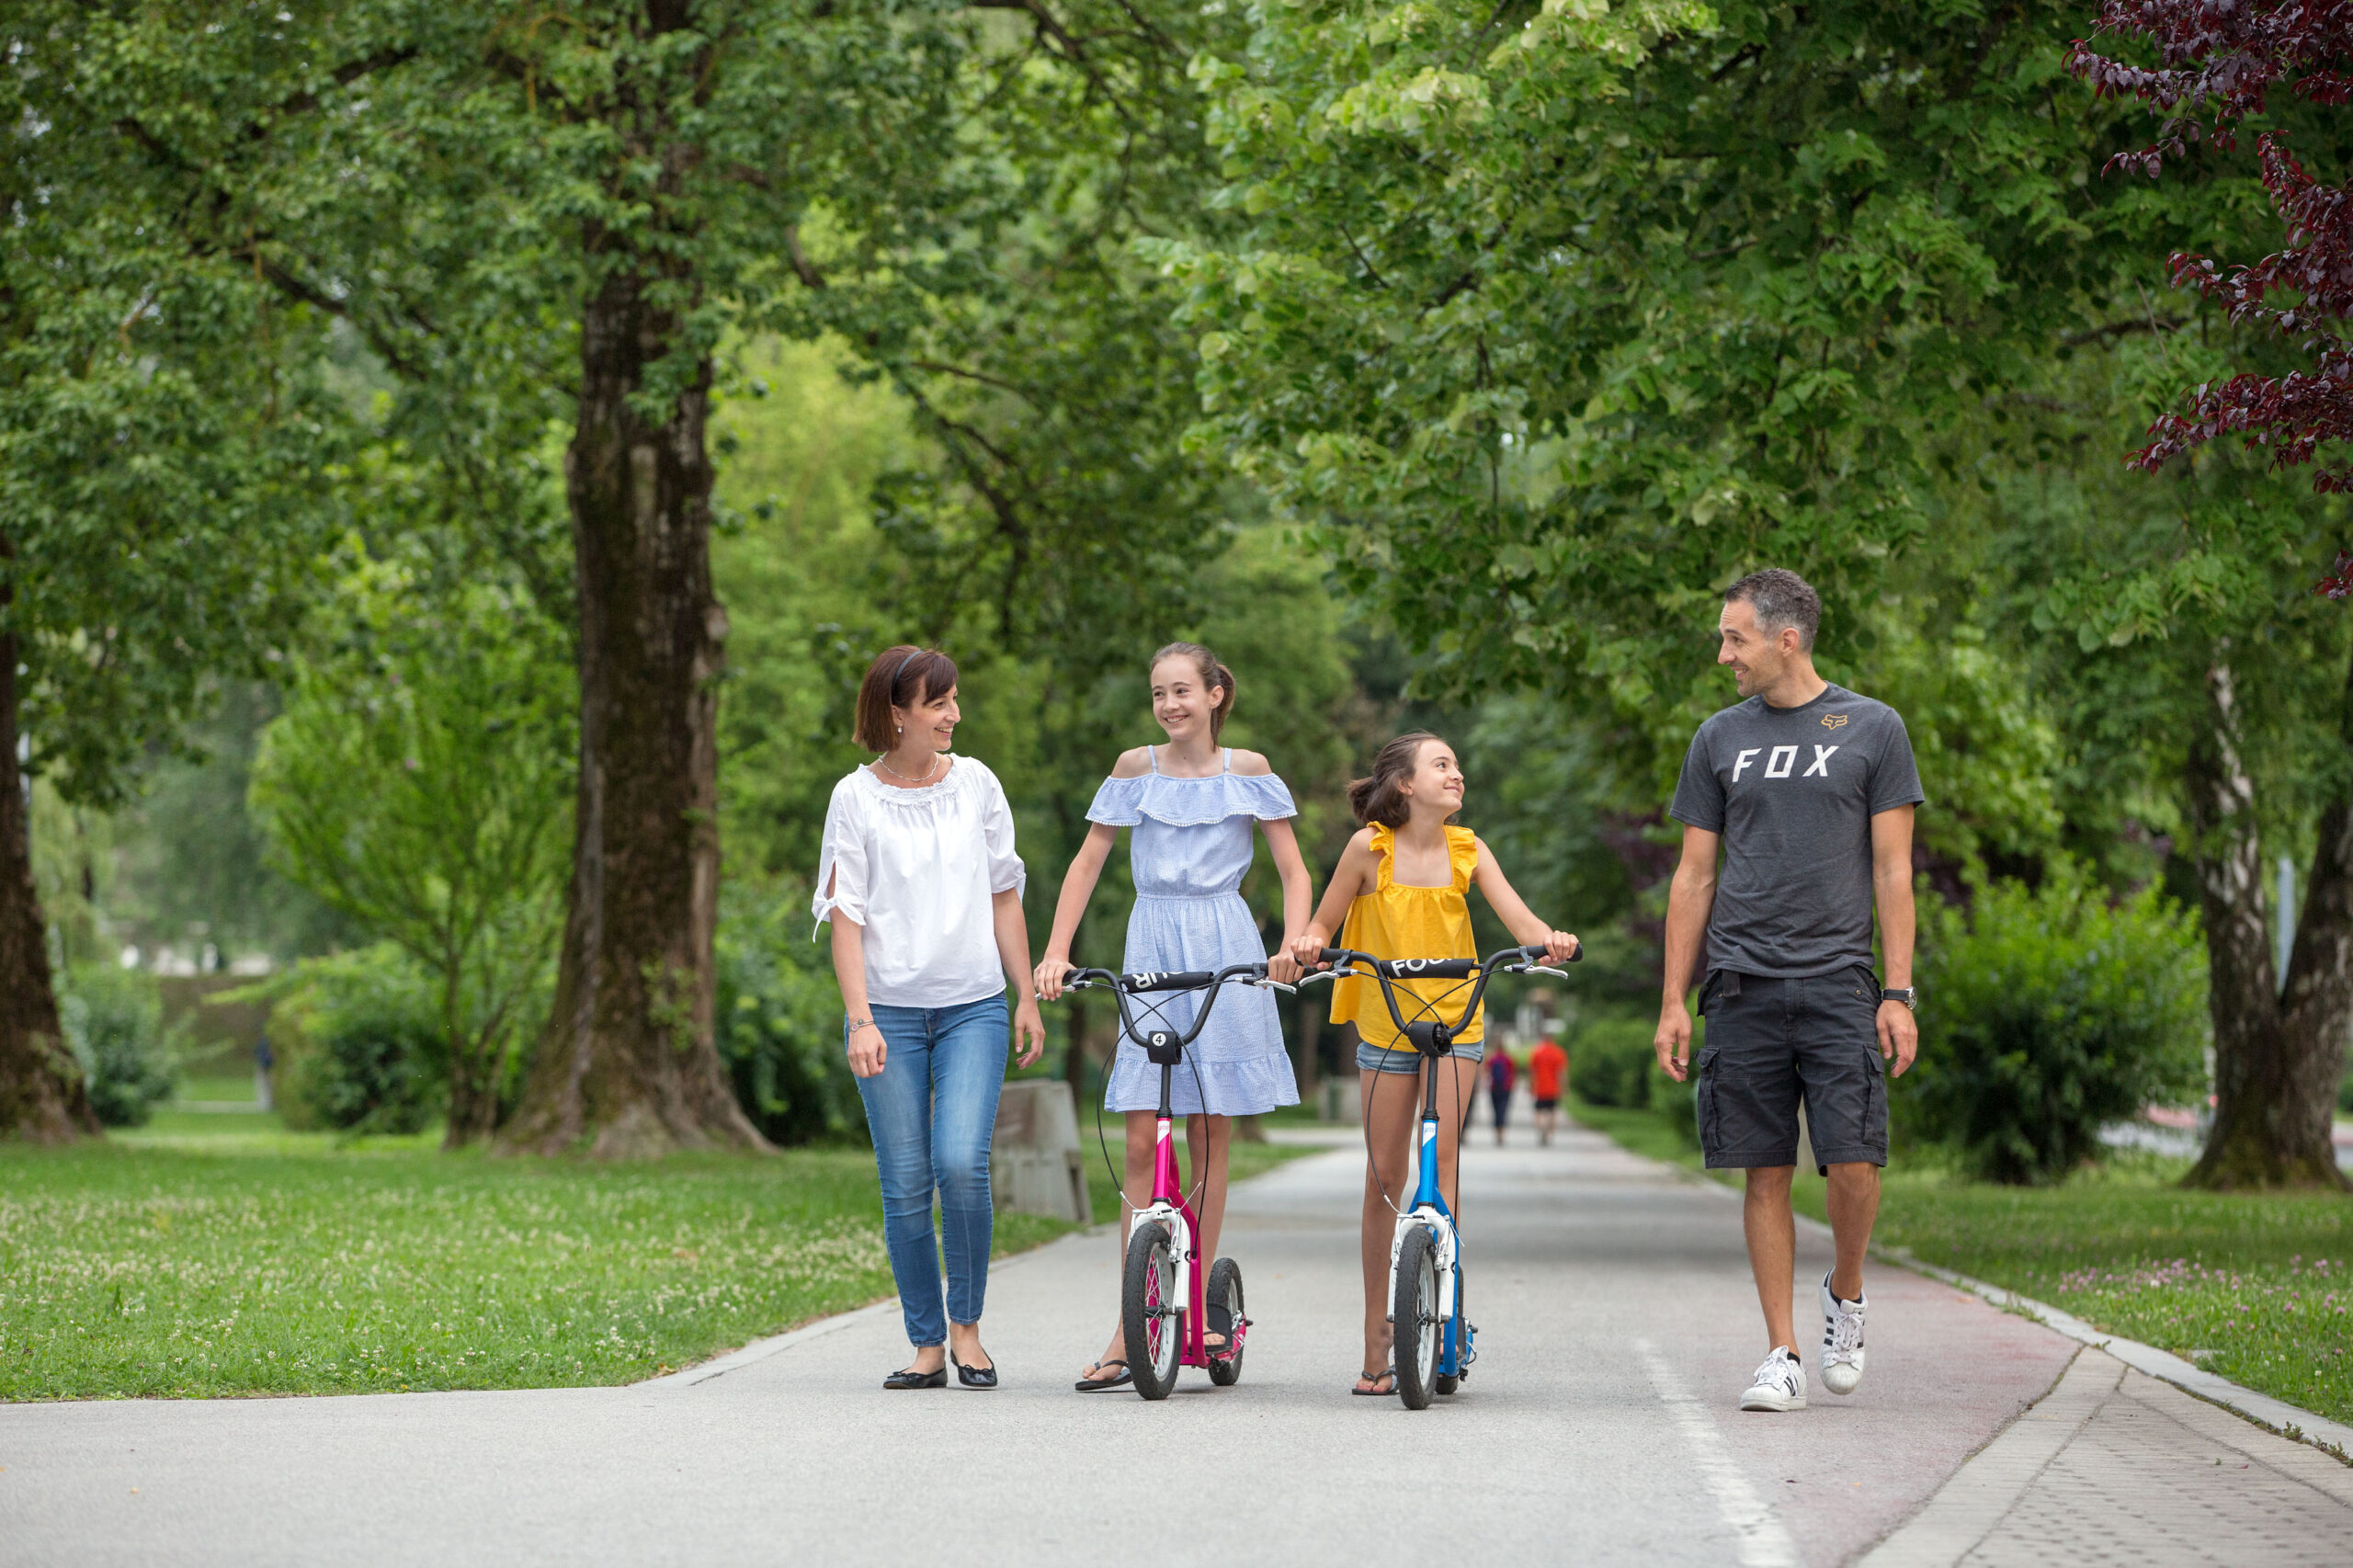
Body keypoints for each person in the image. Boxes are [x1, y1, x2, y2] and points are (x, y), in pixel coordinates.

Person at [1652, 569, 1921, 1415]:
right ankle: (1782, 1352)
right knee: (1762, 1171)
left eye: (1734, 637)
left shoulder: (1874, 728)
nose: (1723, 653)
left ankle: (1845, 1293)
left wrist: (1900, 992)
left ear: (1786, 639)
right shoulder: (1717, 737)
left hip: (1841, 980)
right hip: (1741, 983)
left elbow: (1891, 867)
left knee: (1854, 1160)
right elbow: (1694, 877)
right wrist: (1672, 1000)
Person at [1035, 642, 1312, 1393]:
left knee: (1208, 1126)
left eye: (1183, 690)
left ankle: (1198, 1313)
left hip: (1226, 944)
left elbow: (1292, 869)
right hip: (1152, 939)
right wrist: (1055, 951)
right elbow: (1088, 862)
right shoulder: (1135, 769)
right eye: (1159, 693)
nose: (1170, 704)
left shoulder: (1248, 772)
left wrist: (1295, 942)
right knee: (1137, 1128)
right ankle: (1130, 1325)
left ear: (1217, 694)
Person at [1290, 733, 1578, 1397]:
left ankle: (1443, 1323)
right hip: (1387, 1021)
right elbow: (1323, 925)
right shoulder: (1370, 848)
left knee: (1441, 1168)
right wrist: (1307, 942)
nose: (1457, 774)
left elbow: (1521, 921)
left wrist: (1549, 941)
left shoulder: (1468, 849)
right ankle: (1376, 1342)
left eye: (1457, 764)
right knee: (1384, 1176)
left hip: (1457, 1021)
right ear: (1404, 786)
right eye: (1442, 765)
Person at [815, 645, 1048, 1391]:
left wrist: (1025, 994)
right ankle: (925, 1344)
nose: (954, 714)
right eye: (938, 702)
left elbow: (1003, 893)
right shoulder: (853, 798)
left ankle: (967, 1331)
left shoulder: (977, 784)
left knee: (959, 1163)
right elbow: (844, 913)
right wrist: (860, 1020)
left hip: (973, 1006)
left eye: (953, 700)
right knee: (906, 1179)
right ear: (897, 712)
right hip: (887, 1008)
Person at [1527, 1032, 1566, 1146]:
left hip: (1540, 1088)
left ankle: (1541, 1128)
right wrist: (1563, 1088)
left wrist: (1531, 1085)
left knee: (1539, 1112)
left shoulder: (1537, 1052)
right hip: (1553, 1088)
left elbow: (1532, 1071)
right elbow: (1561, 1073)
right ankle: (1548, 1133)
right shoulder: (1558, 1053)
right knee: (1552, 1112)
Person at [1483, 1040, 1515, 1146]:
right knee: (1503, 1110)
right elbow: (1513, 1073)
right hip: (1506, 1088)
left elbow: (1486, 1072)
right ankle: (1501, 1134)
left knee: (1495, 1111)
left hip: (1494, 1088)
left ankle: (1497, 1133)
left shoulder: (1492, 1058)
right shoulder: (1508, 1058)